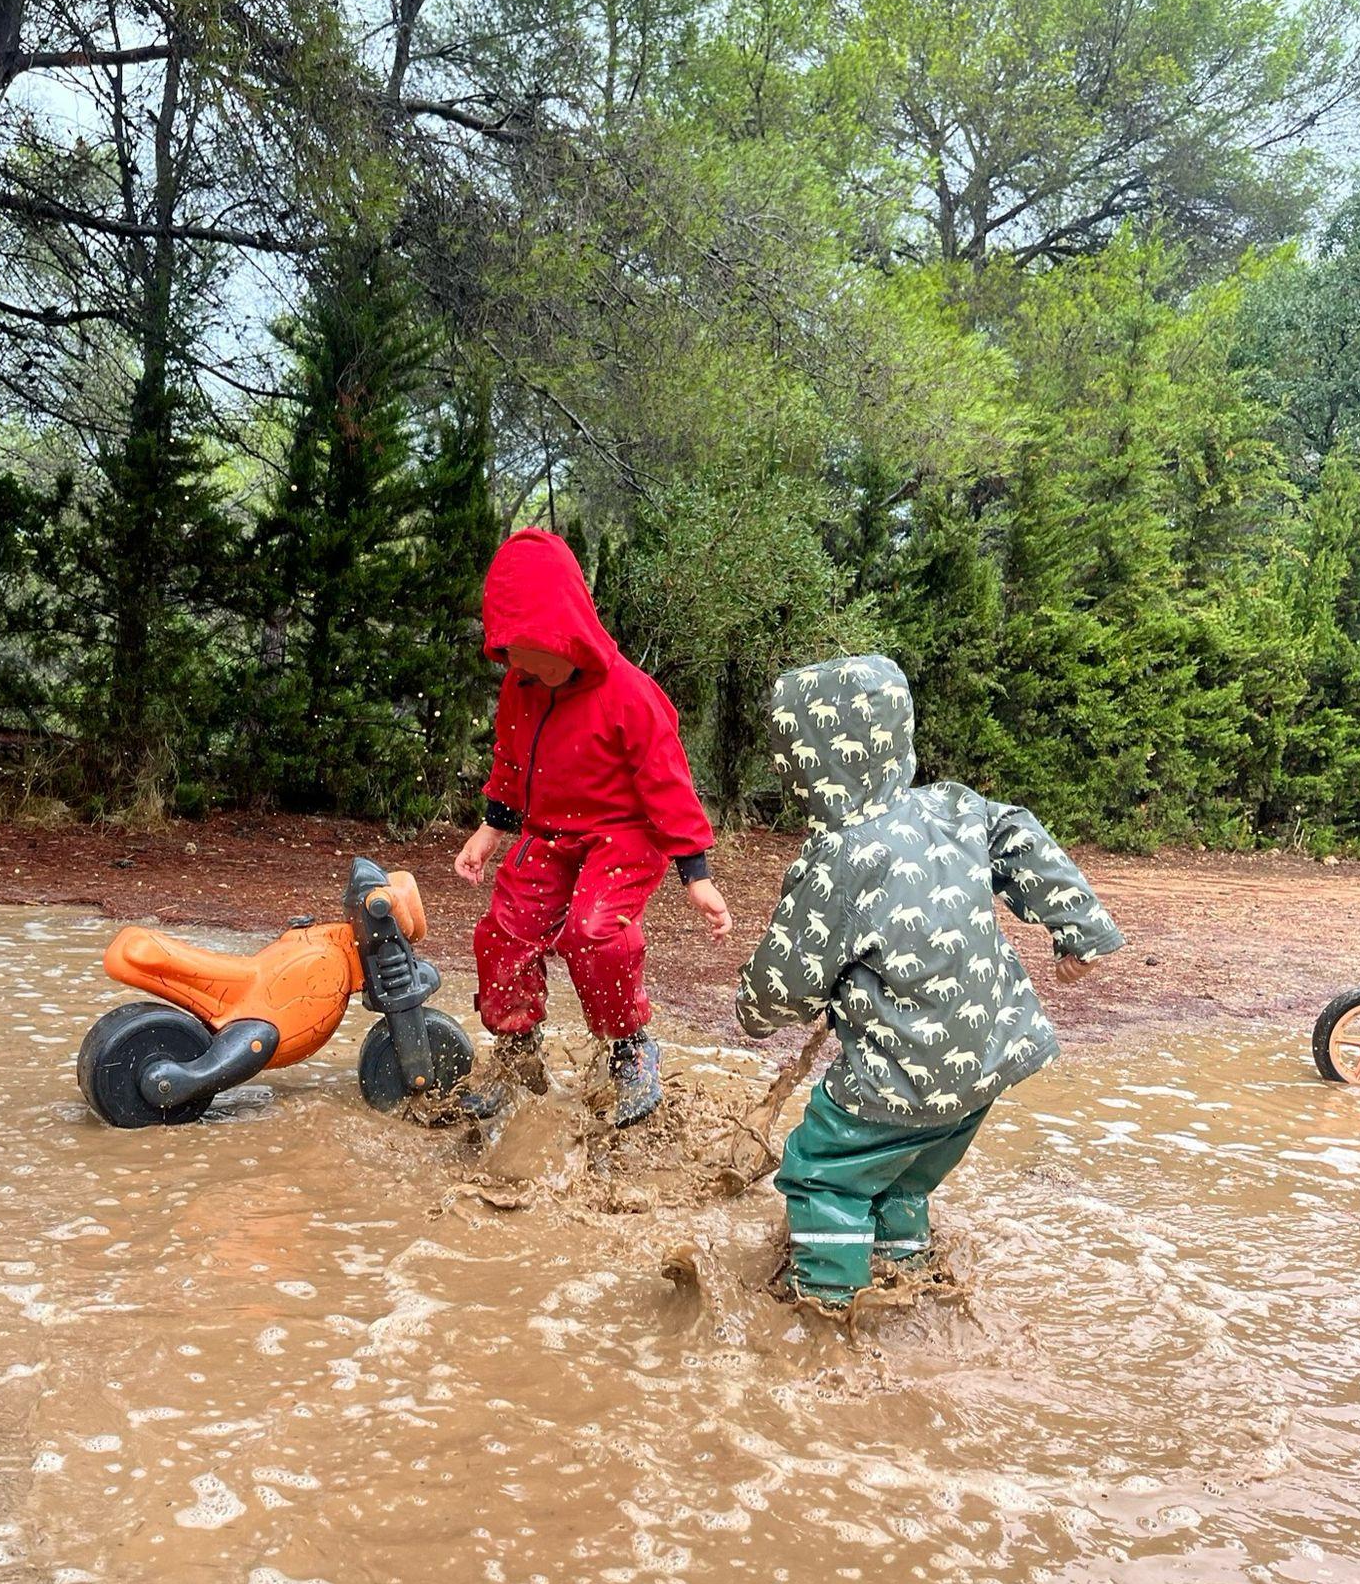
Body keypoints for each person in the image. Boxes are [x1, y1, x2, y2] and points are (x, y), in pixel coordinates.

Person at [735, 653, 1124, 1306]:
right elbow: (1018, 832)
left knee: (825, 1175)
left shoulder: (837, 858)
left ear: (803, 764)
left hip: (899, 1082)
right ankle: (909, 1274)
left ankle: (827, 1311)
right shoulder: (953, 808)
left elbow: (788, 981)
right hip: (989, 1066)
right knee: (901, 1179)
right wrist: (1079, 926)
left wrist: (752, 1011)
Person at [455, 528, 731, 1127]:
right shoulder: (520, 685)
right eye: (506, 653)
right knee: (504, 932)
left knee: (595, 932)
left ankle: (629, 1049)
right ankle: (516, 1056)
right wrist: (490, 829)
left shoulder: (630, 695)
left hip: (625, 836)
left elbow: (669, 784)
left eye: (526, 651)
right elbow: (511, 760)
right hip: (549, 834)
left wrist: (696, 873)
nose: (515, 665)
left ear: (566, 631)